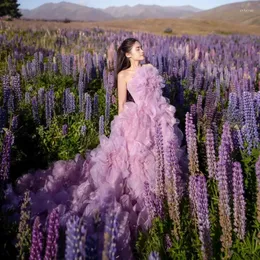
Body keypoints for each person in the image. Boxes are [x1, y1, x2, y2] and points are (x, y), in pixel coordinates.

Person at [6, 38, 186, 259]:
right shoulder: (123, 75)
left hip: (156, 120)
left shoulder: (150, 68)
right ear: (128, 54)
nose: (142, 50)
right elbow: (121, 106)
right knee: (132, 163)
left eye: (141, 47)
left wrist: (162, 118)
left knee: (158, 162)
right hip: (135, 122)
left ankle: (164, 202)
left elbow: (158, 96)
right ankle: (138, 200)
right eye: (137, 48)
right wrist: (121, 130)